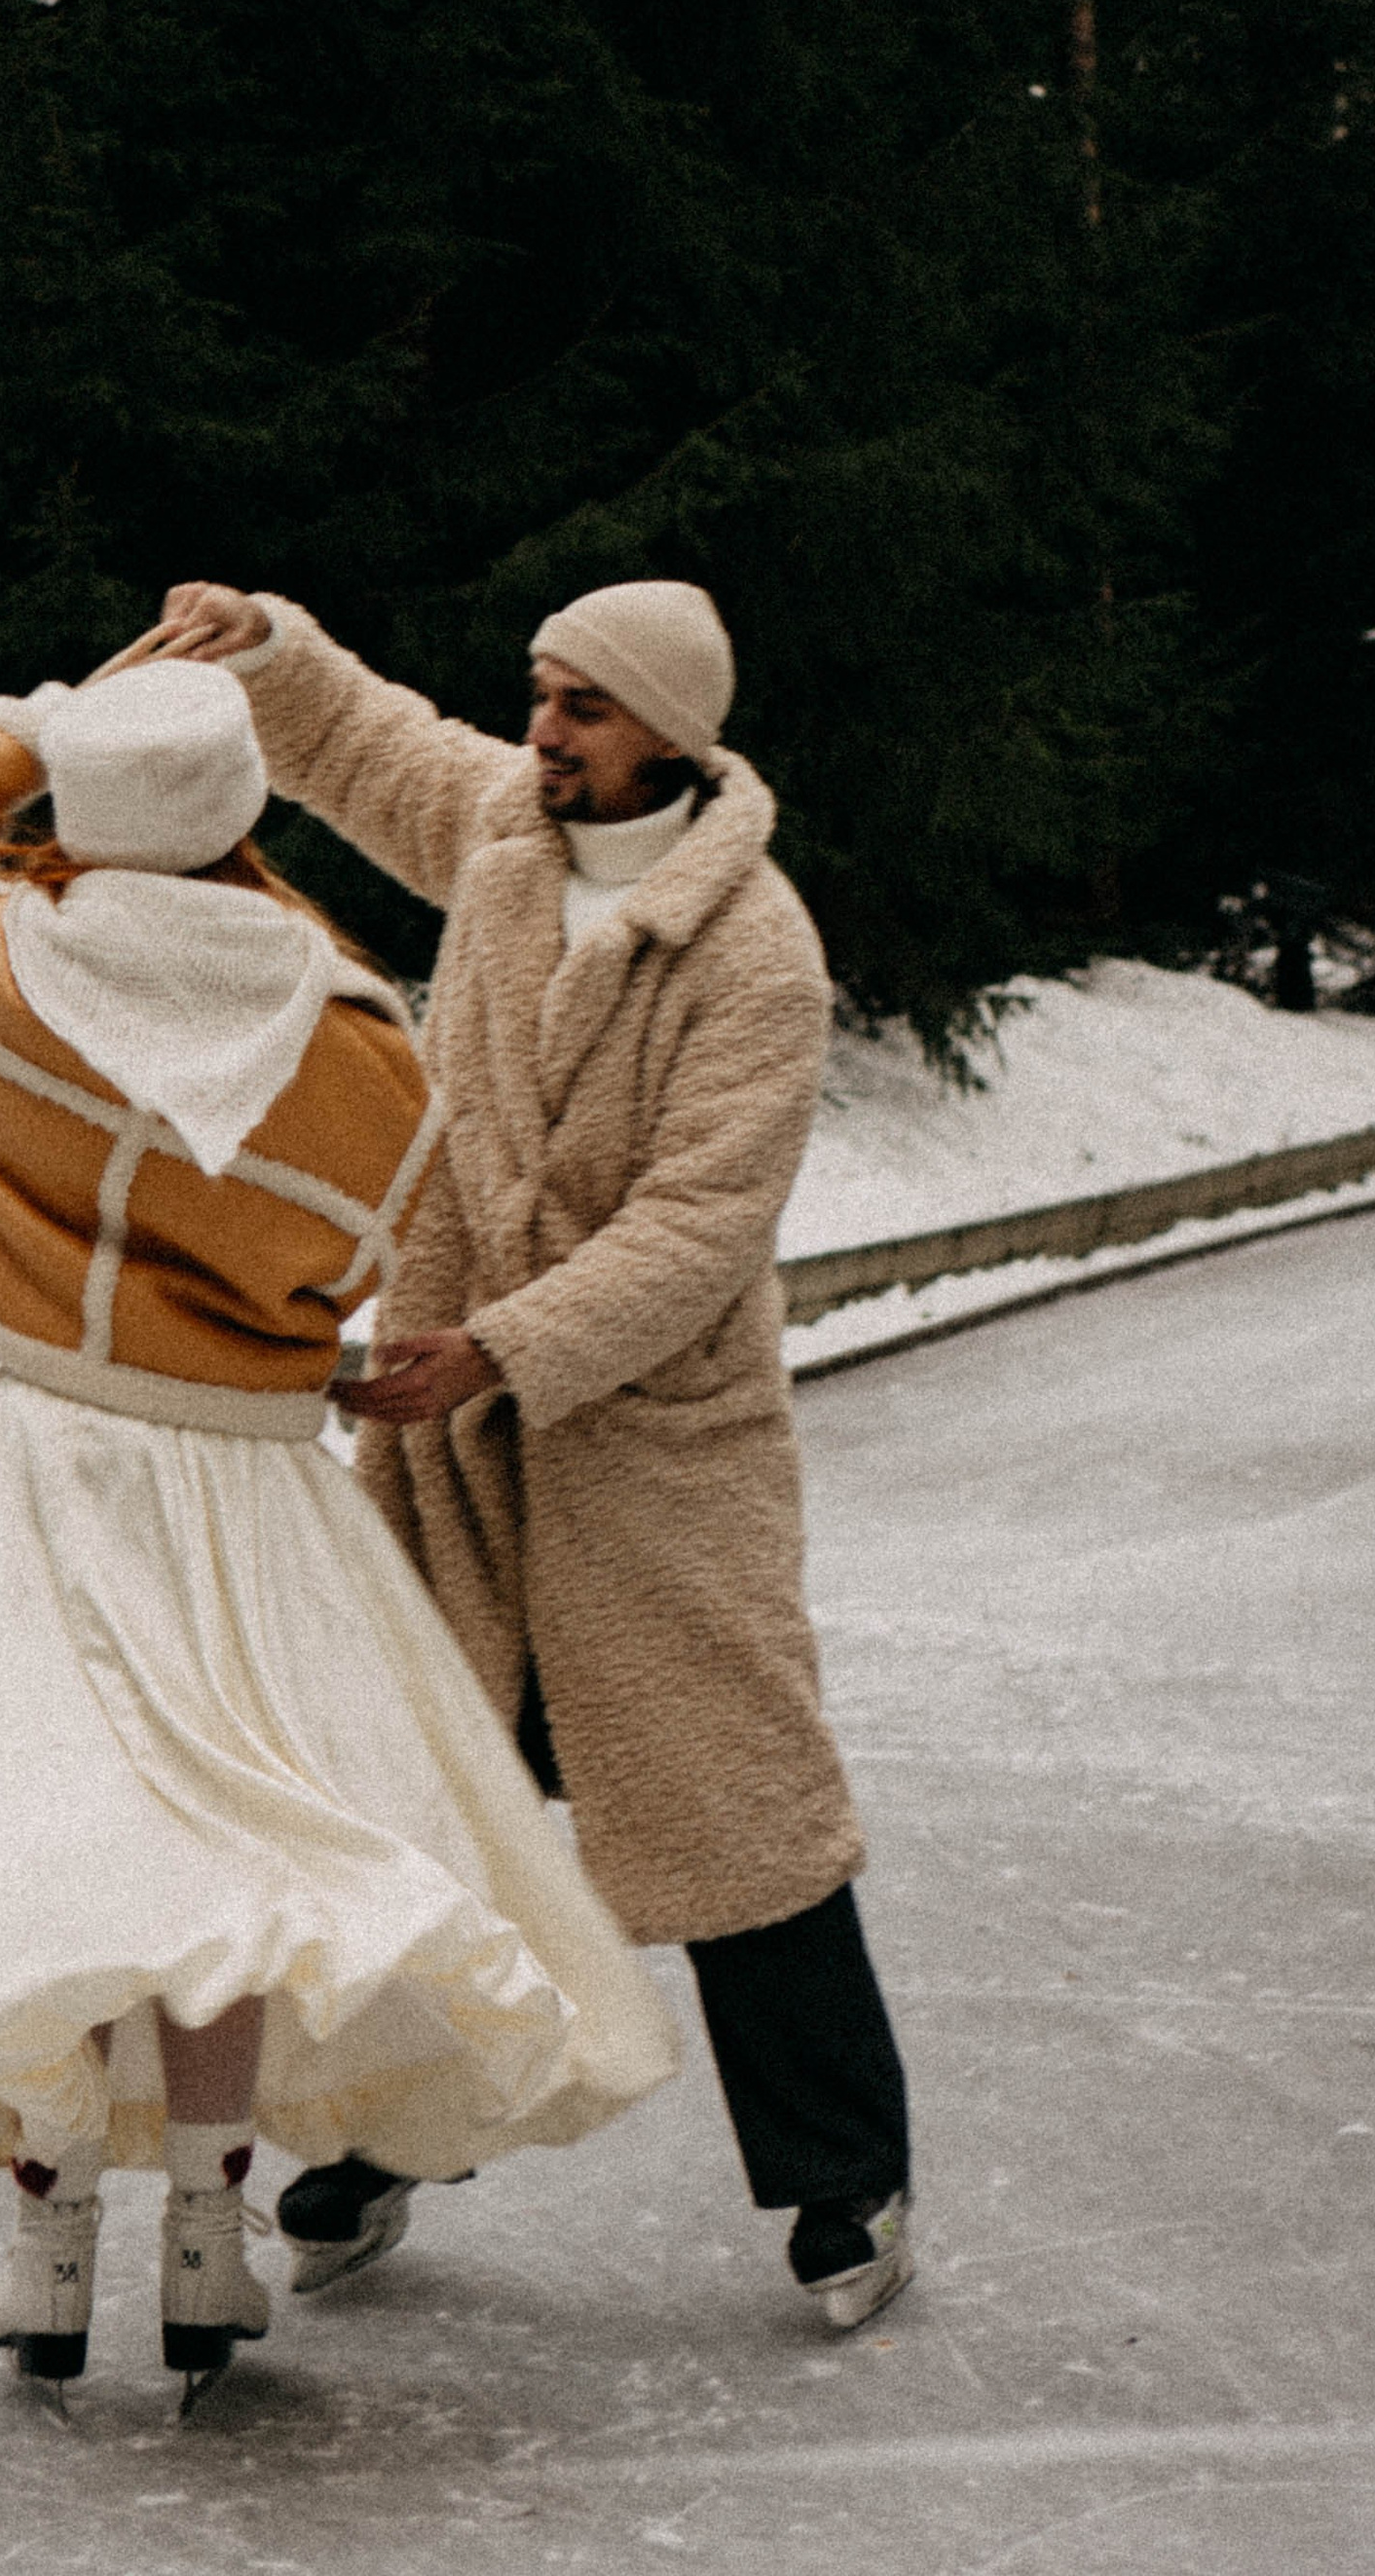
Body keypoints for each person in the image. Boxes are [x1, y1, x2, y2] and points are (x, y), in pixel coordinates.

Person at [0, 650, 682, 2404]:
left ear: (82, 803)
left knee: (67, 1826)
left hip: (63, 1456)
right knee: (238, 1845)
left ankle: (49, 2244)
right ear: (246, 814)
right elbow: (360, 1248)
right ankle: (212, 2236)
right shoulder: (352, 1024)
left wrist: (46, 716)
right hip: (243, 1469)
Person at [151, 576, 915, 2331]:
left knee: (735, 1822)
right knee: (424, 1809)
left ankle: (846, 2176)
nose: (543, 732)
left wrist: (500, 1349)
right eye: (542, 695)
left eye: (580, 706)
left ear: (669, 732)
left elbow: (699, 1228)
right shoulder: (510, 831)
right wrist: (264, 640)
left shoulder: (753, 953)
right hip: (457, 1445)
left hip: (646, 1450)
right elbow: (365, 742)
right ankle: (384, 2146)